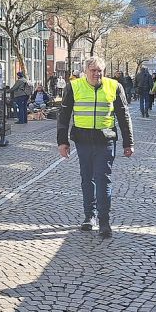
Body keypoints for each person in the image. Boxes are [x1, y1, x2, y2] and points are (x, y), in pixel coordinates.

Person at [57, 56, 134, 238]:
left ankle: (104, 221)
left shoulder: (114, 86)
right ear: (86, 71)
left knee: (103, 179)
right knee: (86, 179)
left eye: (100, 70)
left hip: (105, 140)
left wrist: (128, 142)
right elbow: (64, 116)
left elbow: (124, 116)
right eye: (93, 70)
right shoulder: (74, 87)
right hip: (82, 140)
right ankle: (89, 216)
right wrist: (62, 142)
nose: (96, 74)